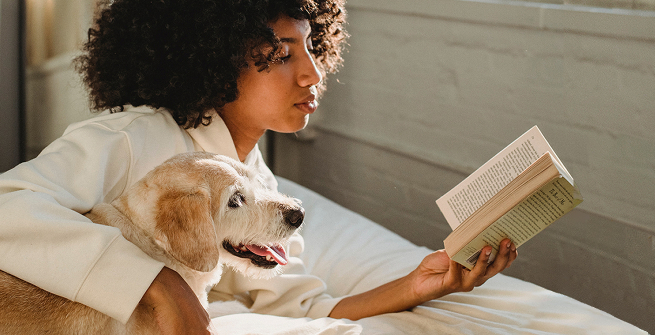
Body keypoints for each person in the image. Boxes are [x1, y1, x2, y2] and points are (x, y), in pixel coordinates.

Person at [0, 0, 518, 333]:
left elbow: (301, 308)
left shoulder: (254, 180)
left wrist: (419, 285)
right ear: (214, 57)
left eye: (312, 48)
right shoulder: (132, 137)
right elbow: (8, 207)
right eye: (280, 53)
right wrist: (156, 282)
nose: (312, 73)